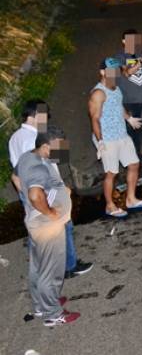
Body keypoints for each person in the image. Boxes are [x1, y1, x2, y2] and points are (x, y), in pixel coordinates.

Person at [9, 100, 93, 279]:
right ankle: (68, 267)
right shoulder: (32, 140)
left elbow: (17, 173)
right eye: (45, 115)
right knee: (63, 226)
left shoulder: (15, 138)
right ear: (35, 116)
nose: (47, 119)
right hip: (44, 192)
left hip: (31, 191)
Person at [16, 126, 81, 326]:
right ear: (45, 146)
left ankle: (41, 304)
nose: (62, 150)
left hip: (36, 222)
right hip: (47, 226)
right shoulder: (37, 168)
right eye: (58, 146)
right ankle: (53, 314)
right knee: (50, 271)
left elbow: (15, 177)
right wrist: (51, 212)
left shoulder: (28, 157)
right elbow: (35, 195)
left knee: (38, 266)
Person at [88, 57, 142, 218]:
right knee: (111, 173)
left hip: (121, 134)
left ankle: (131, 199)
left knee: (134, 164)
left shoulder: (115, 88)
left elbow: (119, 106)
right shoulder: (98, 93)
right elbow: (94, 119)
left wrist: (129, 119)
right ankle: (110, 206)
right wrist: (100, 142)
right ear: (103, 72)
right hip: (108, 139)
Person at [115, 29, 142, 159]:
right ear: (124, 41)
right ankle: (127, 157)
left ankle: (136, 154)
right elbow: (127, 73)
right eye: (129, 39)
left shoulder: (140, 53)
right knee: (129, 130)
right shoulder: (119, 57)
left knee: (140, 129)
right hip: (128, 101)